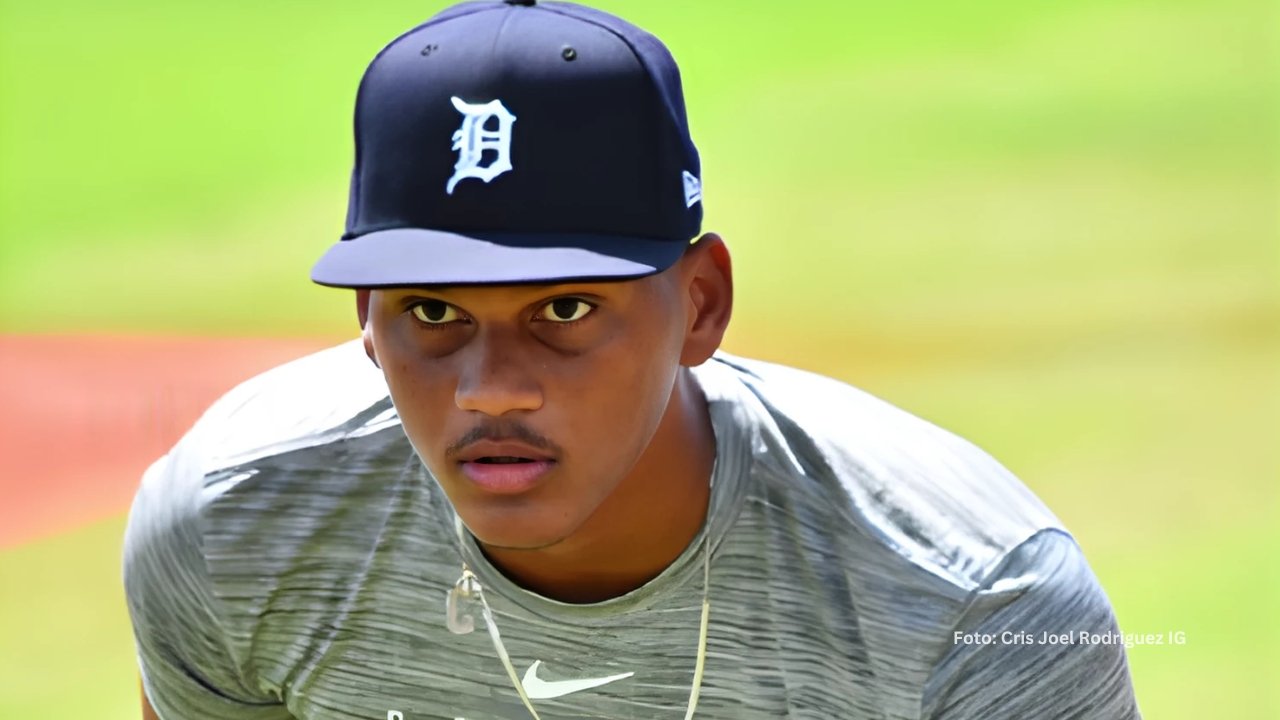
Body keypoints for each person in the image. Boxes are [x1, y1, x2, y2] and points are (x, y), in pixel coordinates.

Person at [122, 1, 1143, 718]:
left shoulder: (970, 602)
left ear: (699, 305)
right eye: (431, 312)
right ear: (363, 318)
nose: (492, 387)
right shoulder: (234, 527)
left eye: (564, 309)